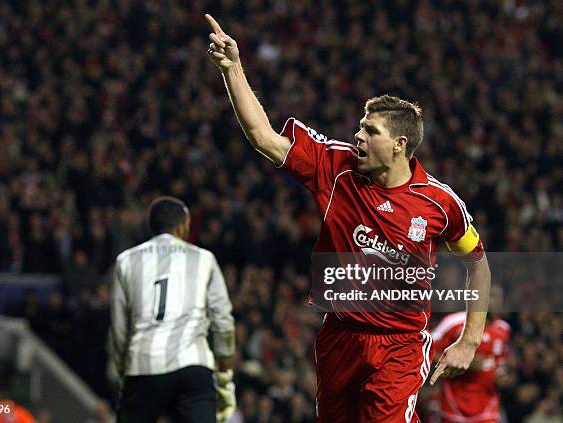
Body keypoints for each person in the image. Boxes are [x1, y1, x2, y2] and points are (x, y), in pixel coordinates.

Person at [205, 14, 491, 423]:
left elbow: (477, 264)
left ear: (399, 145)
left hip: (399, 348)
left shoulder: (439, 202)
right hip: (338, 337)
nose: (358, 136)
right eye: (360, 127)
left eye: (370, 131)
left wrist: (469, 341)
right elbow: (264, 138)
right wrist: (232, 68)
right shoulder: (336, 166)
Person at [111, 196, 236, 423]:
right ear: (182, 227)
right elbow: (223, 320)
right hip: (192, 365)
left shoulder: (125, 261)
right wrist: (225, 372)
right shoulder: (204, 259)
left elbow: (120, 328)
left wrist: (124, 371)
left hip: (143, 364)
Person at [432, 287, 511, 423]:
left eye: (500, 297)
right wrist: (459, 361)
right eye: (492, 296)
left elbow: (500, 363)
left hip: (487, 407)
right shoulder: (453, 322)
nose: (497, 301)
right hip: (454, 405)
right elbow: (425, 350)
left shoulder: (503, 329)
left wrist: (502, 377)